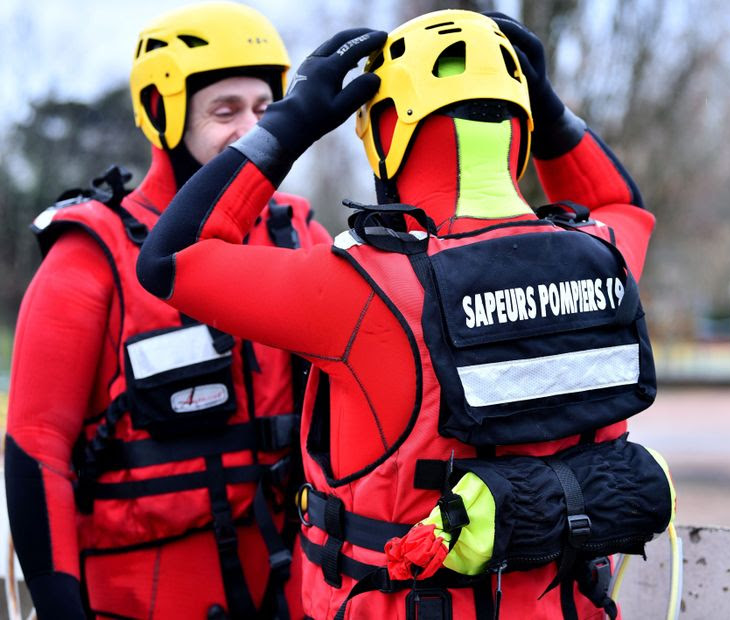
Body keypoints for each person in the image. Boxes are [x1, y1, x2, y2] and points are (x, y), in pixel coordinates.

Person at [138, 10, 673, 619]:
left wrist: (291, 124)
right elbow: (620, 200)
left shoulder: (361, 287)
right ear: (521, 135)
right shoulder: (605, 252)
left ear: (386, 135)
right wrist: (548, 106)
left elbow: (172, 258)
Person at [5, 2, 331, 618]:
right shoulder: (90, 254)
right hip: (138, 599)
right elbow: (35, 446)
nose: (251, 131)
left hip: (292, 590)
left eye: (266, 110)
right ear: (163, 113)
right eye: (224, 111)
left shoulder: (301, 235)